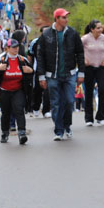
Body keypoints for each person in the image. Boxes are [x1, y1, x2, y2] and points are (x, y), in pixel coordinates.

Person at [34, 7, 84, 141]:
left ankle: (67, 125)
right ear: (56, 19)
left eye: (67, 17)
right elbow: (40, 56)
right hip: (52, 76)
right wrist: (41, 76)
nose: (66, 20)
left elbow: (80, 53)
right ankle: (59, 130)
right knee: (55, 104)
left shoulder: (73, 33)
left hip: (70, 74)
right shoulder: (46, 35)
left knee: (69, 101)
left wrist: (81, 73)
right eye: (64, 17)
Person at [0, 38, 32, 144]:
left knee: (19, 110)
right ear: (7, 48)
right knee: (6, 113)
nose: (16, 49)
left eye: (17, 47)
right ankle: (4, 133)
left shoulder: (22, 59)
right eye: (13, 47)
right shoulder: (2, 59)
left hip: (18, 90)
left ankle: (22, 133)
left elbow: (31, 70)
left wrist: (30, 71)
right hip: (4, 91)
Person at [81, 19, 104, 126]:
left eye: (101, 27)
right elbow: (77, 51)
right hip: (89, 68)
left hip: (101, 67)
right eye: (98, 28)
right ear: (92, 29)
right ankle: (89, 118)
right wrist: (83, 60)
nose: (101, 30)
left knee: (103, 90)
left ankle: (100, 116)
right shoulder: (85, 39)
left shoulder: (103, 38)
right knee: (89, 92)